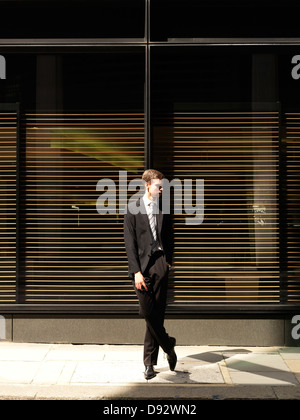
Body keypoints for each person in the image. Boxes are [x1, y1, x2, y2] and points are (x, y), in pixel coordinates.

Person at [123, 169, 177, 380]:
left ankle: (149, 364)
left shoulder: (164, 207)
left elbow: (170, 236)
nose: (162, 189)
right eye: (158, 186)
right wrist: (136, 271)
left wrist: (168, 262)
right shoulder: (132, 209)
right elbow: (130, 244)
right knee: (147, 311)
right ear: (147, 185)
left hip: (160, 263)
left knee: (157, 312)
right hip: (142, 267)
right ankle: (168, 345)